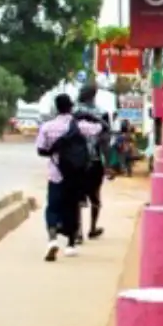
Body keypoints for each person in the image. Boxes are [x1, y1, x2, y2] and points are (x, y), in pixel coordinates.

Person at [35, 93, 102, 261]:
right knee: (72, 208)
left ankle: (52, 240)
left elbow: (40, 150)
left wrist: (54, 151)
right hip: (75, 175)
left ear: (56, 108)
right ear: (71, 107)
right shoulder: (80, 126)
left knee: (53, 207)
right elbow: (102, 128)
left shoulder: (47, 126)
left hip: (55, 174)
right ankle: (71, 244)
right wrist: (90, 117)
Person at [73, 84, 112, 241]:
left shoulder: (73, 112)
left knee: (77, 197)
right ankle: (92, 228)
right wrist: (108, 164)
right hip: (95, 160)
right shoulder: (102, 113)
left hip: (77, 161)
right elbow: (105, 141)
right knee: (95, 196)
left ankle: (78, 233)